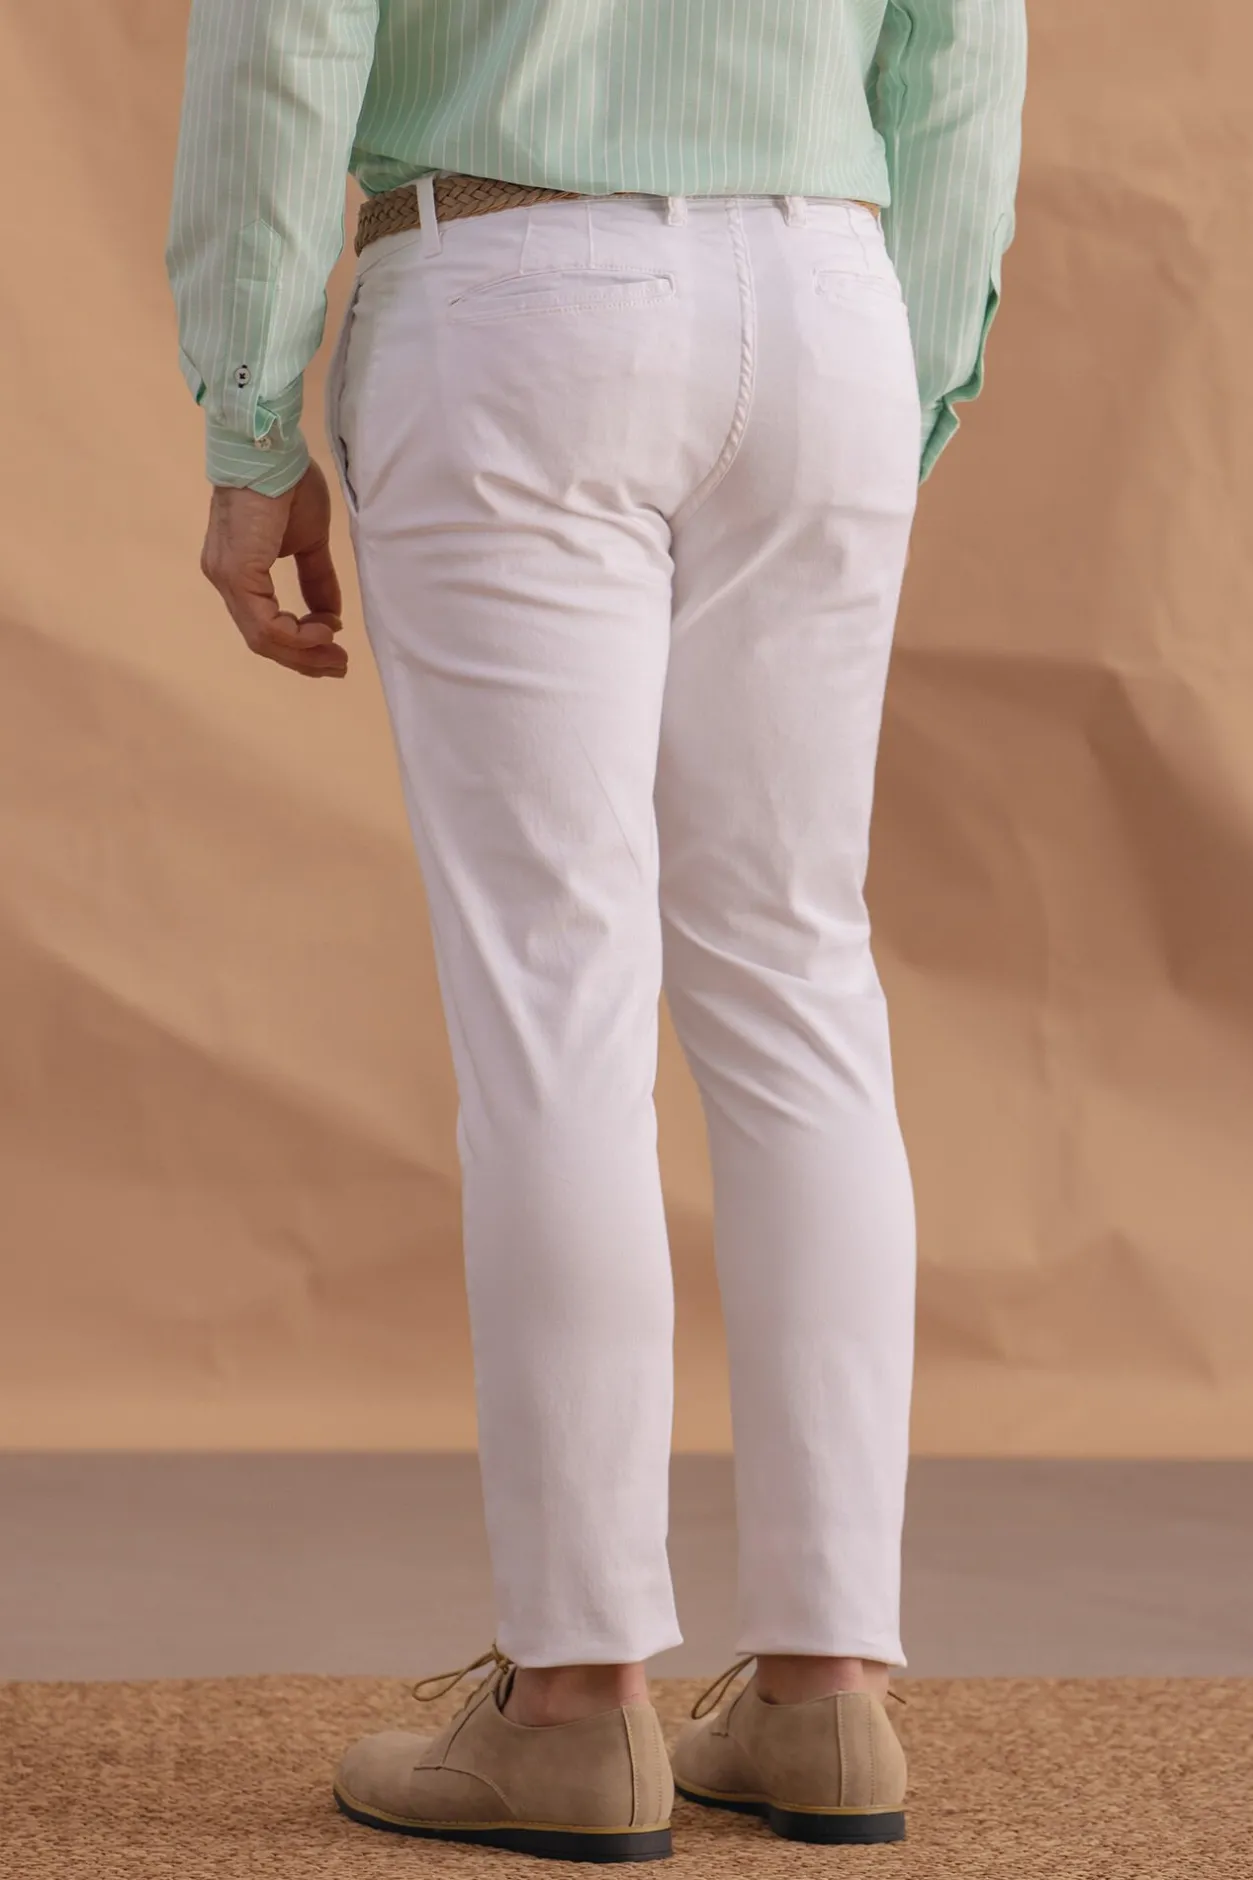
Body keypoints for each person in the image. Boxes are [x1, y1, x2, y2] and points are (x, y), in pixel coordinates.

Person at [168, 0, 1027, 1862]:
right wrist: (909, 380)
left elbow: (288, 35)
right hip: (830, 296)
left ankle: (572, 1708)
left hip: (511, 294)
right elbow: (961, 45)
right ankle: (825, 1693)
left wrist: (247, 417)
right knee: (799, 975)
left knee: (557, 997)